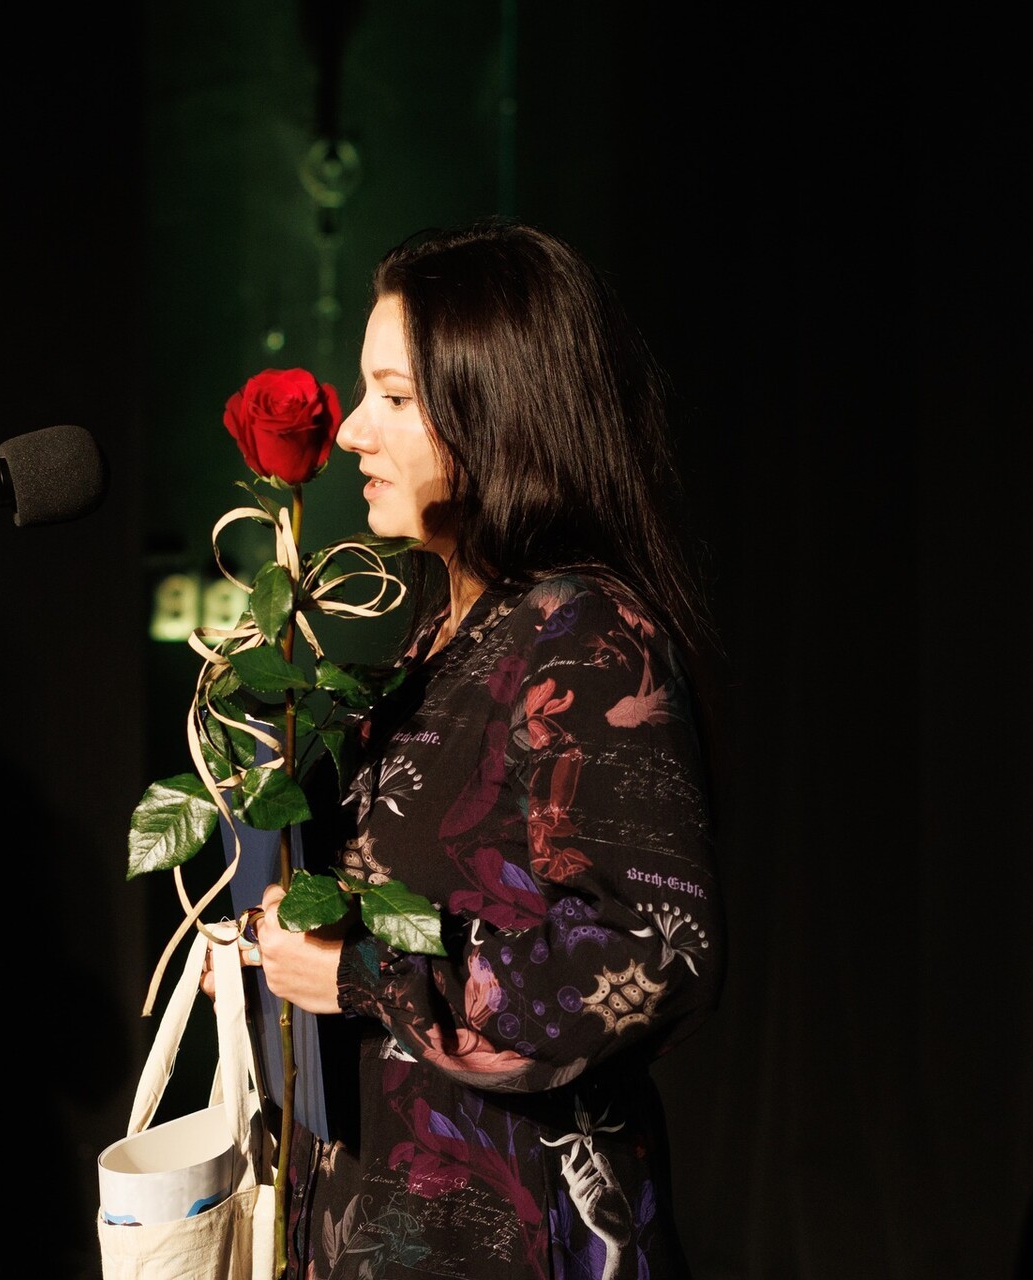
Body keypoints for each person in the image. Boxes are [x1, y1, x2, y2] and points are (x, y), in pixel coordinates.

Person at [228, 216, 725, 1278]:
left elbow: (652, 953)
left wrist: (366, 972)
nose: (354, 432)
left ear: (498, 413)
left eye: (395, 397)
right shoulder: (447, 634)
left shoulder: (586, 635)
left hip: (519, 1238)